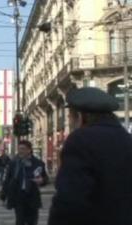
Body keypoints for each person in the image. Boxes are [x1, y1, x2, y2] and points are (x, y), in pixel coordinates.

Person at [48, 87, 132, 225]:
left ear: (80, 117)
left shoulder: (80, 140)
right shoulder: (127, 139)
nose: (69, 120)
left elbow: (70, 199)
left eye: (70, 116)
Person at [0, 140, 48, 225]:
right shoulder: (14, 163)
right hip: (19, 196)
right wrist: (3, 195)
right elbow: (7, 180)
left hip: (32, 196)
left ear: (29, 150)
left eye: (23, 149)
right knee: (20, 221)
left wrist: (42, 180)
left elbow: (45, 178)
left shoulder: (38, 163)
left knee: (32, 221)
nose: (20, 151)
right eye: (19, 149)